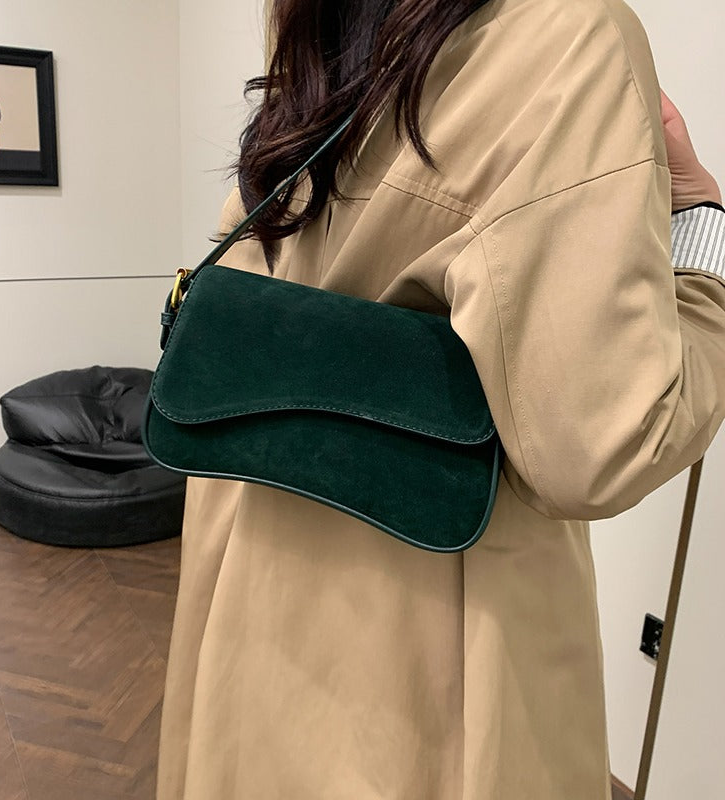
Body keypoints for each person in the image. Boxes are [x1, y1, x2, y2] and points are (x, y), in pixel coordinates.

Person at [157, 0, 725, 798]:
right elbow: (604, 446)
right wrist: (701, 235)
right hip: (434, 633)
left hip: (249, 563)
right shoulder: (572, 34)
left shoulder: (315, 20)